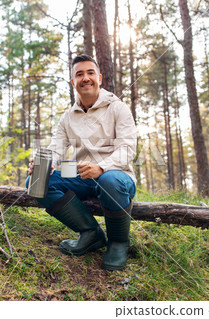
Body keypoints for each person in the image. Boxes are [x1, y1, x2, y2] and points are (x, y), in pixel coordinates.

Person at [26, 55, 137, 271]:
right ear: (73, 82)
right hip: (81, 174)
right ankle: (90, 233)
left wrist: (102, 167)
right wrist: (45, 163)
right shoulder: (68, 116)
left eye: (90, 73)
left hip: (116, 175)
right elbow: (56, 148)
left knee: (109, 180)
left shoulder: (118, 108)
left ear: (99, 78)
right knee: (35, 180)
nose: (85, 78)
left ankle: (118, 242)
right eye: (79, 74)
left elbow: (127, 150)